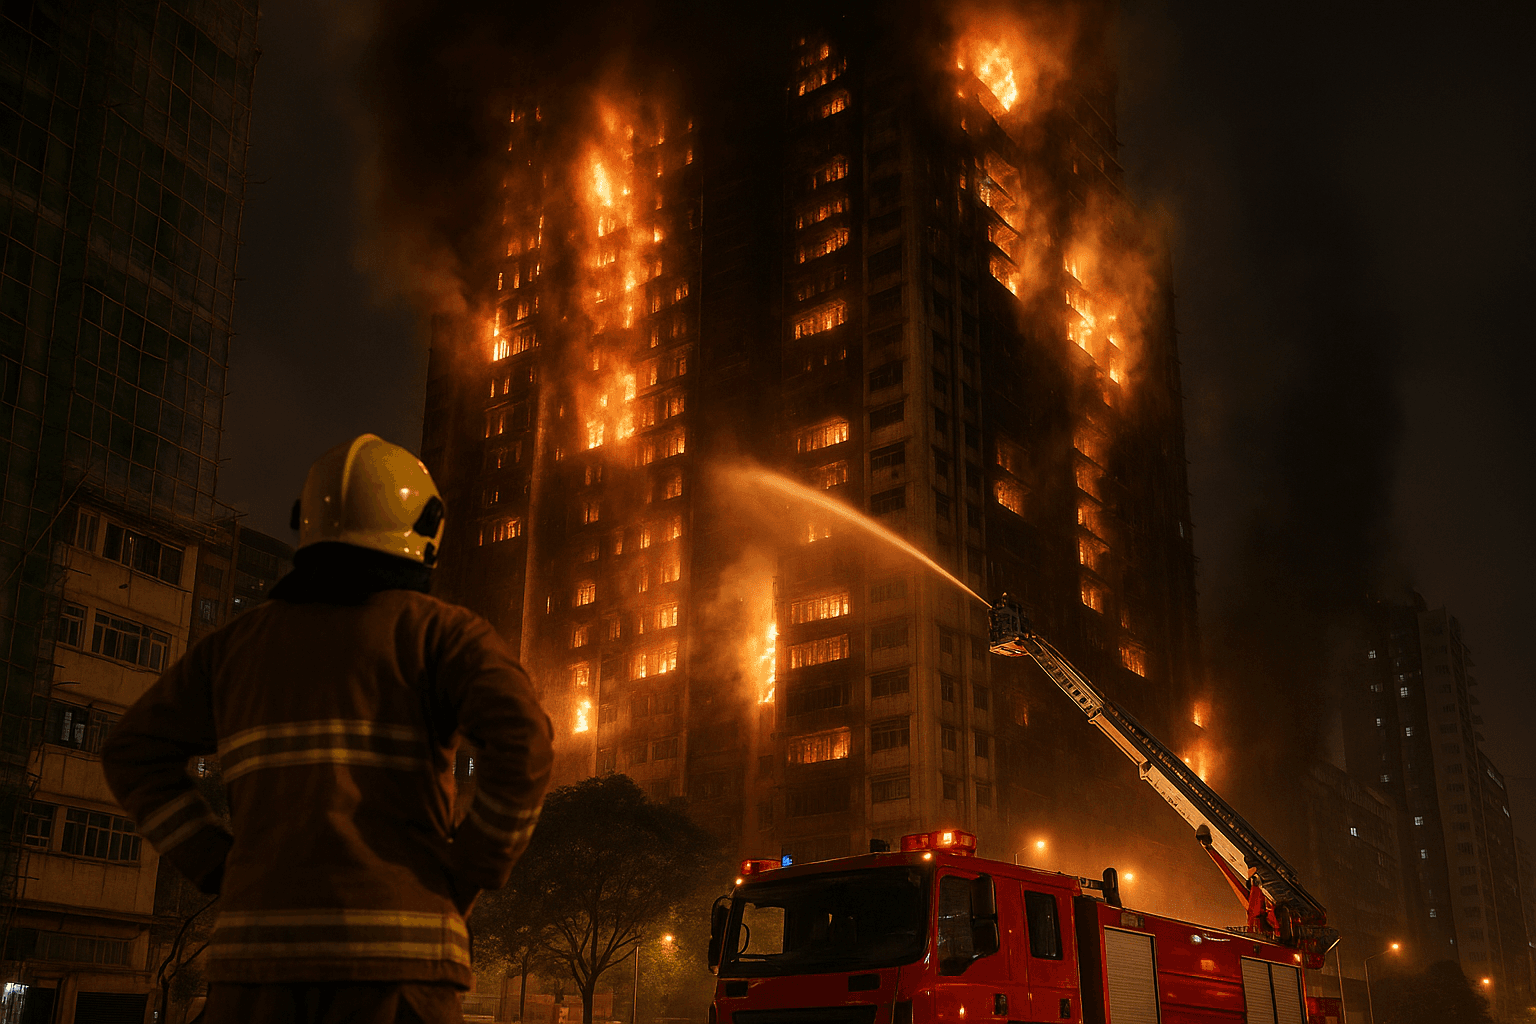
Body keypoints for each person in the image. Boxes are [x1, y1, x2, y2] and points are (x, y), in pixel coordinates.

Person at [103, 434, 554, 1024]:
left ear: (307, 528)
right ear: (427, 529)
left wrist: (215, 861)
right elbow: (525, 743)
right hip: (397, 973)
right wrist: (468, 869)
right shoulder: (441, 636)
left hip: (254, 971)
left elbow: (131, 751)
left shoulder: (236, 647)